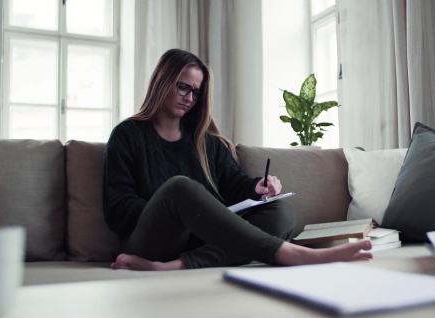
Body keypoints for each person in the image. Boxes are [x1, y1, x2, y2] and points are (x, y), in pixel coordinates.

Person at [103, 49, 373, 271]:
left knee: (281, 213)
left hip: (201, 240)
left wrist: (257, 187)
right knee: (179, 188)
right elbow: (118, 208)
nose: (189, 98)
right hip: (152, 240)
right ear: (162, 82)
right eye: (183, 87)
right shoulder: (127, 135)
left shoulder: (205, 141)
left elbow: (234, 184)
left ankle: (177, 266)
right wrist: (183, 212)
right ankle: (293, 254)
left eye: (196, 92)